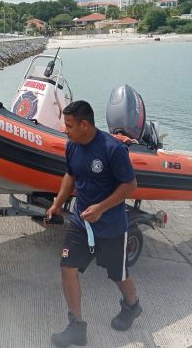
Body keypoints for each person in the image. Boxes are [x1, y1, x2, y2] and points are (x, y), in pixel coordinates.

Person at [45, 100, 141, 347]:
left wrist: (101, 208)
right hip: (81, 223)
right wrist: (57, 203)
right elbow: (71, 174)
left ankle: (132, 306)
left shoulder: (112, 149)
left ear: (84, 124)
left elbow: (130, 186)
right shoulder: (73, 146)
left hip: (111, 227)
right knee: (68, 268)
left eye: (69, 125)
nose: (65, 130)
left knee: (118, 274)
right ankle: (76, 326)